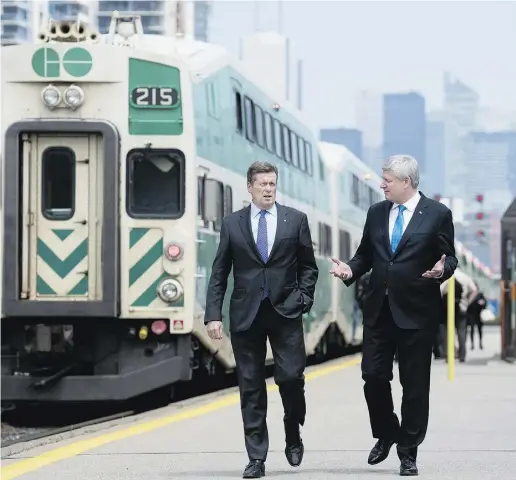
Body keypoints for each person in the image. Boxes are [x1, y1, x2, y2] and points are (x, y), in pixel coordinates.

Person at [329, 154, 457, 476]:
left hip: (417, 313)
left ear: (406, 182)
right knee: (373, 376)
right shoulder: (376, 212)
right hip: (379, 310)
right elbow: (365, 255)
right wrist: (349, 270)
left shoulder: (437, 214)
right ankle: (386, 432)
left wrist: (443, 270)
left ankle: (408, 451)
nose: (381, 184)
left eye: (387, 179)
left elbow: (450, 257)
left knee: (414, 386)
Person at [204, 161, 318, 479]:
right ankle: (256, 457)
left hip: (286, 312)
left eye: (272, 183)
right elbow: (219, 273)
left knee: (291, 378)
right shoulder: (232, 224)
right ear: (250, 187)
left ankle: (293, 430)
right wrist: (213, 314)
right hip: (246, 315)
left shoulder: (295, 220)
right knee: (251, 387)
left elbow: (309, 267)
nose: (269, 188)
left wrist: (303, 299)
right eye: (263, 184)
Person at [440, 267, 476, 362]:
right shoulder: (465, 277)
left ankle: (449, 354)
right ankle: (462, 355)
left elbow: (440, 290)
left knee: (447, 331)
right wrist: (467, 302)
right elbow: (474, 290)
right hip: (462, 307)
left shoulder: (446, 276)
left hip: (448, 308)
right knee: (461, 331)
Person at [467, 280, 487, 350]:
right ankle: (472, 344)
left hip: (479, 314)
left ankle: (480, 343)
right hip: (471, 314)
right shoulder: (469, 294)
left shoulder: (480, 294)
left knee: (479, 330)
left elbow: (485, 303)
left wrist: (482, 304)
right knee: (472, 330)